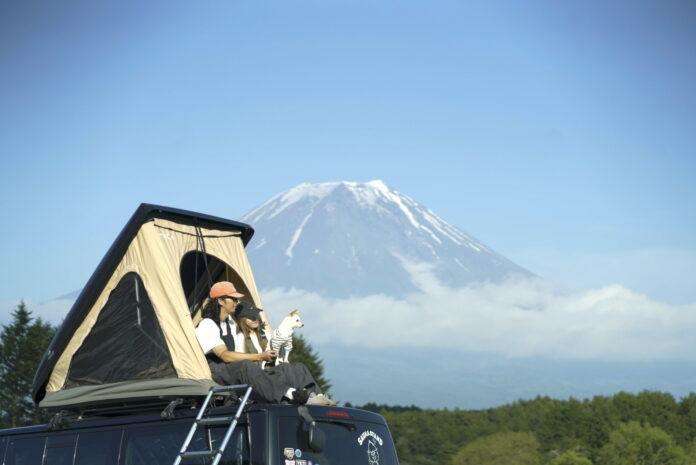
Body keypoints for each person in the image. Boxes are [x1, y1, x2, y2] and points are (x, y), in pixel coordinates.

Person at [195, 281, 335, 405]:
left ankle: (316, 395)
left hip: (237, 369)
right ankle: (293, 395)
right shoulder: (207, 324)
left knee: (290, 368)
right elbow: (224, 356)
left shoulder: (230, 323)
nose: (237, 302)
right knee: (246, 366)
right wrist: (259, 356)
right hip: (220, 371)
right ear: (220, 301)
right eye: (233, 299)